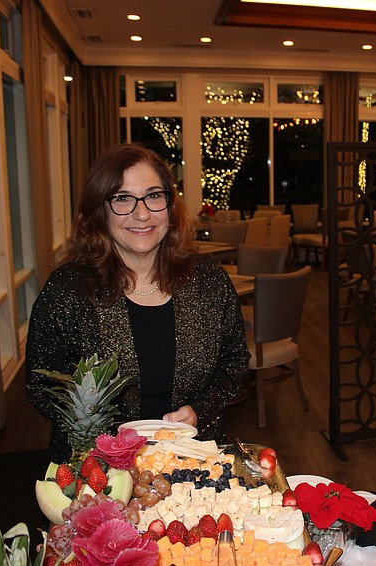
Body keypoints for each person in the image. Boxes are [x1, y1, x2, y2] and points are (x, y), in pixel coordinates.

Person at [26, 143, 249, 462]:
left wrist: (199, 411)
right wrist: (109, 439)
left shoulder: (209, 281)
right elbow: (42, 385)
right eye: (122, 199)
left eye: (153, 196)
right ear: (99, 210)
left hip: (194, 456)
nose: (142, 214)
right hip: (98, 465)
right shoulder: (68, 291)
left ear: (170, 204)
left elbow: (234, 360)